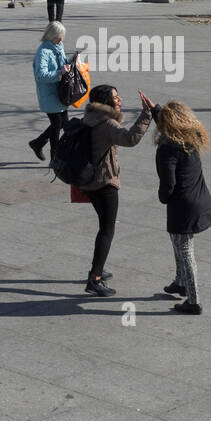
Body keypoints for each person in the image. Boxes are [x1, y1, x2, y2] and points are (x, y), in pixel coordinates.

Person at [76, 85, 156, 297]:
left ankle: (98, 269)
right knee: (107, 229)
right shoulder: (107, 123)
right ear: (106, 101)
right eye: (115, 97)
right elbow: (130, 139)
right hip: (104, 182)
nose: (120, 99)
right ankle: (95, 279)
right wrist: (147, 114)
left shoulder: (90, 117)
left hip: (88, 181)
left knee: (104, 226)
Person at [154, 101, 211, 315]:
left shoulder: (167, 148)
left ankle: (194, 300)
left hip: (182, 205)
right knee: (178, 242)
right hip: (198, 199)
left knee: (185, 249)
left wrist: (163, 197)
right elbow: (171, 126)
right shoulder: (191, 138)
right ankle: (180, 282)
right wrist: (156, 110)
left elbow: (168, 182)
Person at [29, 22, 72, 162]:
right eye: (58, 38)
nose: (61, 41)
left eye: (62, 38)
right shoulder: (43, 52)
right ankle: (55, 157)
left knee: (63, 124)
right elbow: (40, 76)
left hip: (60, 93)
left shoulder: (58, 47)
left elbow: (63, 63)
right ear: (51, 36)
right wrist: (60, 73)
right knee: (56, 125)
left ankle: (38, 143)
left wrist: (72, 63)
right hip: (49, 94)